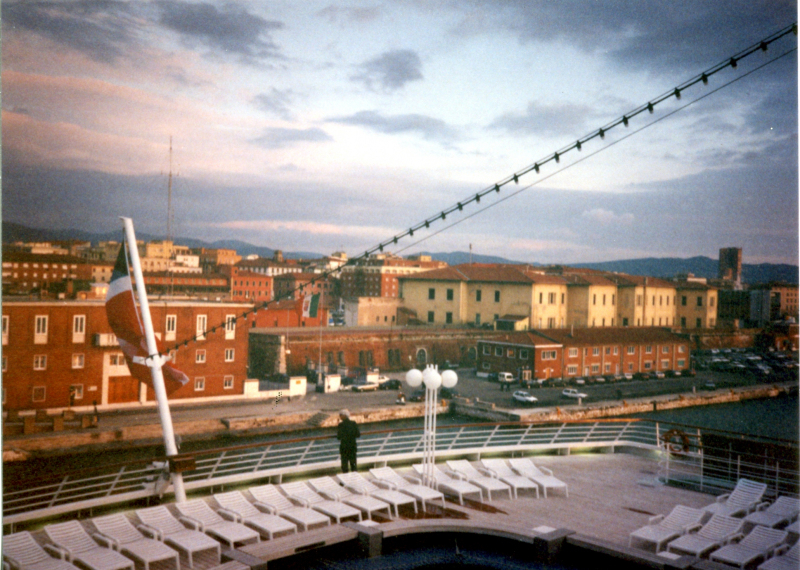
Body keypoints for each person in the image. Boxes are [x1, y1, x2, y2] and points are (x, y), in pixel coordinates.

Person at [336, 409, 360, 473]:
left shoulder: (341, 425)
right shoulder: (353, 423)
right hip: (352, 446)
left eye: (340, 415)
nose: (340, 416)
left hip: (344, 447)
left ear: (344, 416)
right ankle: (355, 477)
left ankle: (345, 477)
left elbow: (338, 437)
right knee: (353, 465)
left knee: (344, 466)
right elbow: (358, 435)